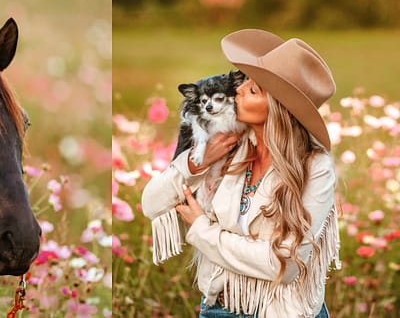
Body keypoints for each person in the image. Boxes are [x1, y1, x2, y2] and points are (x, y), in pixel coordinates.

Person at [141, 29, 341, 317]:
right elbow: (151, 204)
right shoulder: (229, 144)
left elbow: (284, 264)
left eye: (252, 89)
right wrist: (196, 163)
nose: (237, 90)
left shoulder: (314, 168)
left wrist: (202, 231)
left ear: (276, 107)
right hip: (218, 307)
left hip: (283, 311)